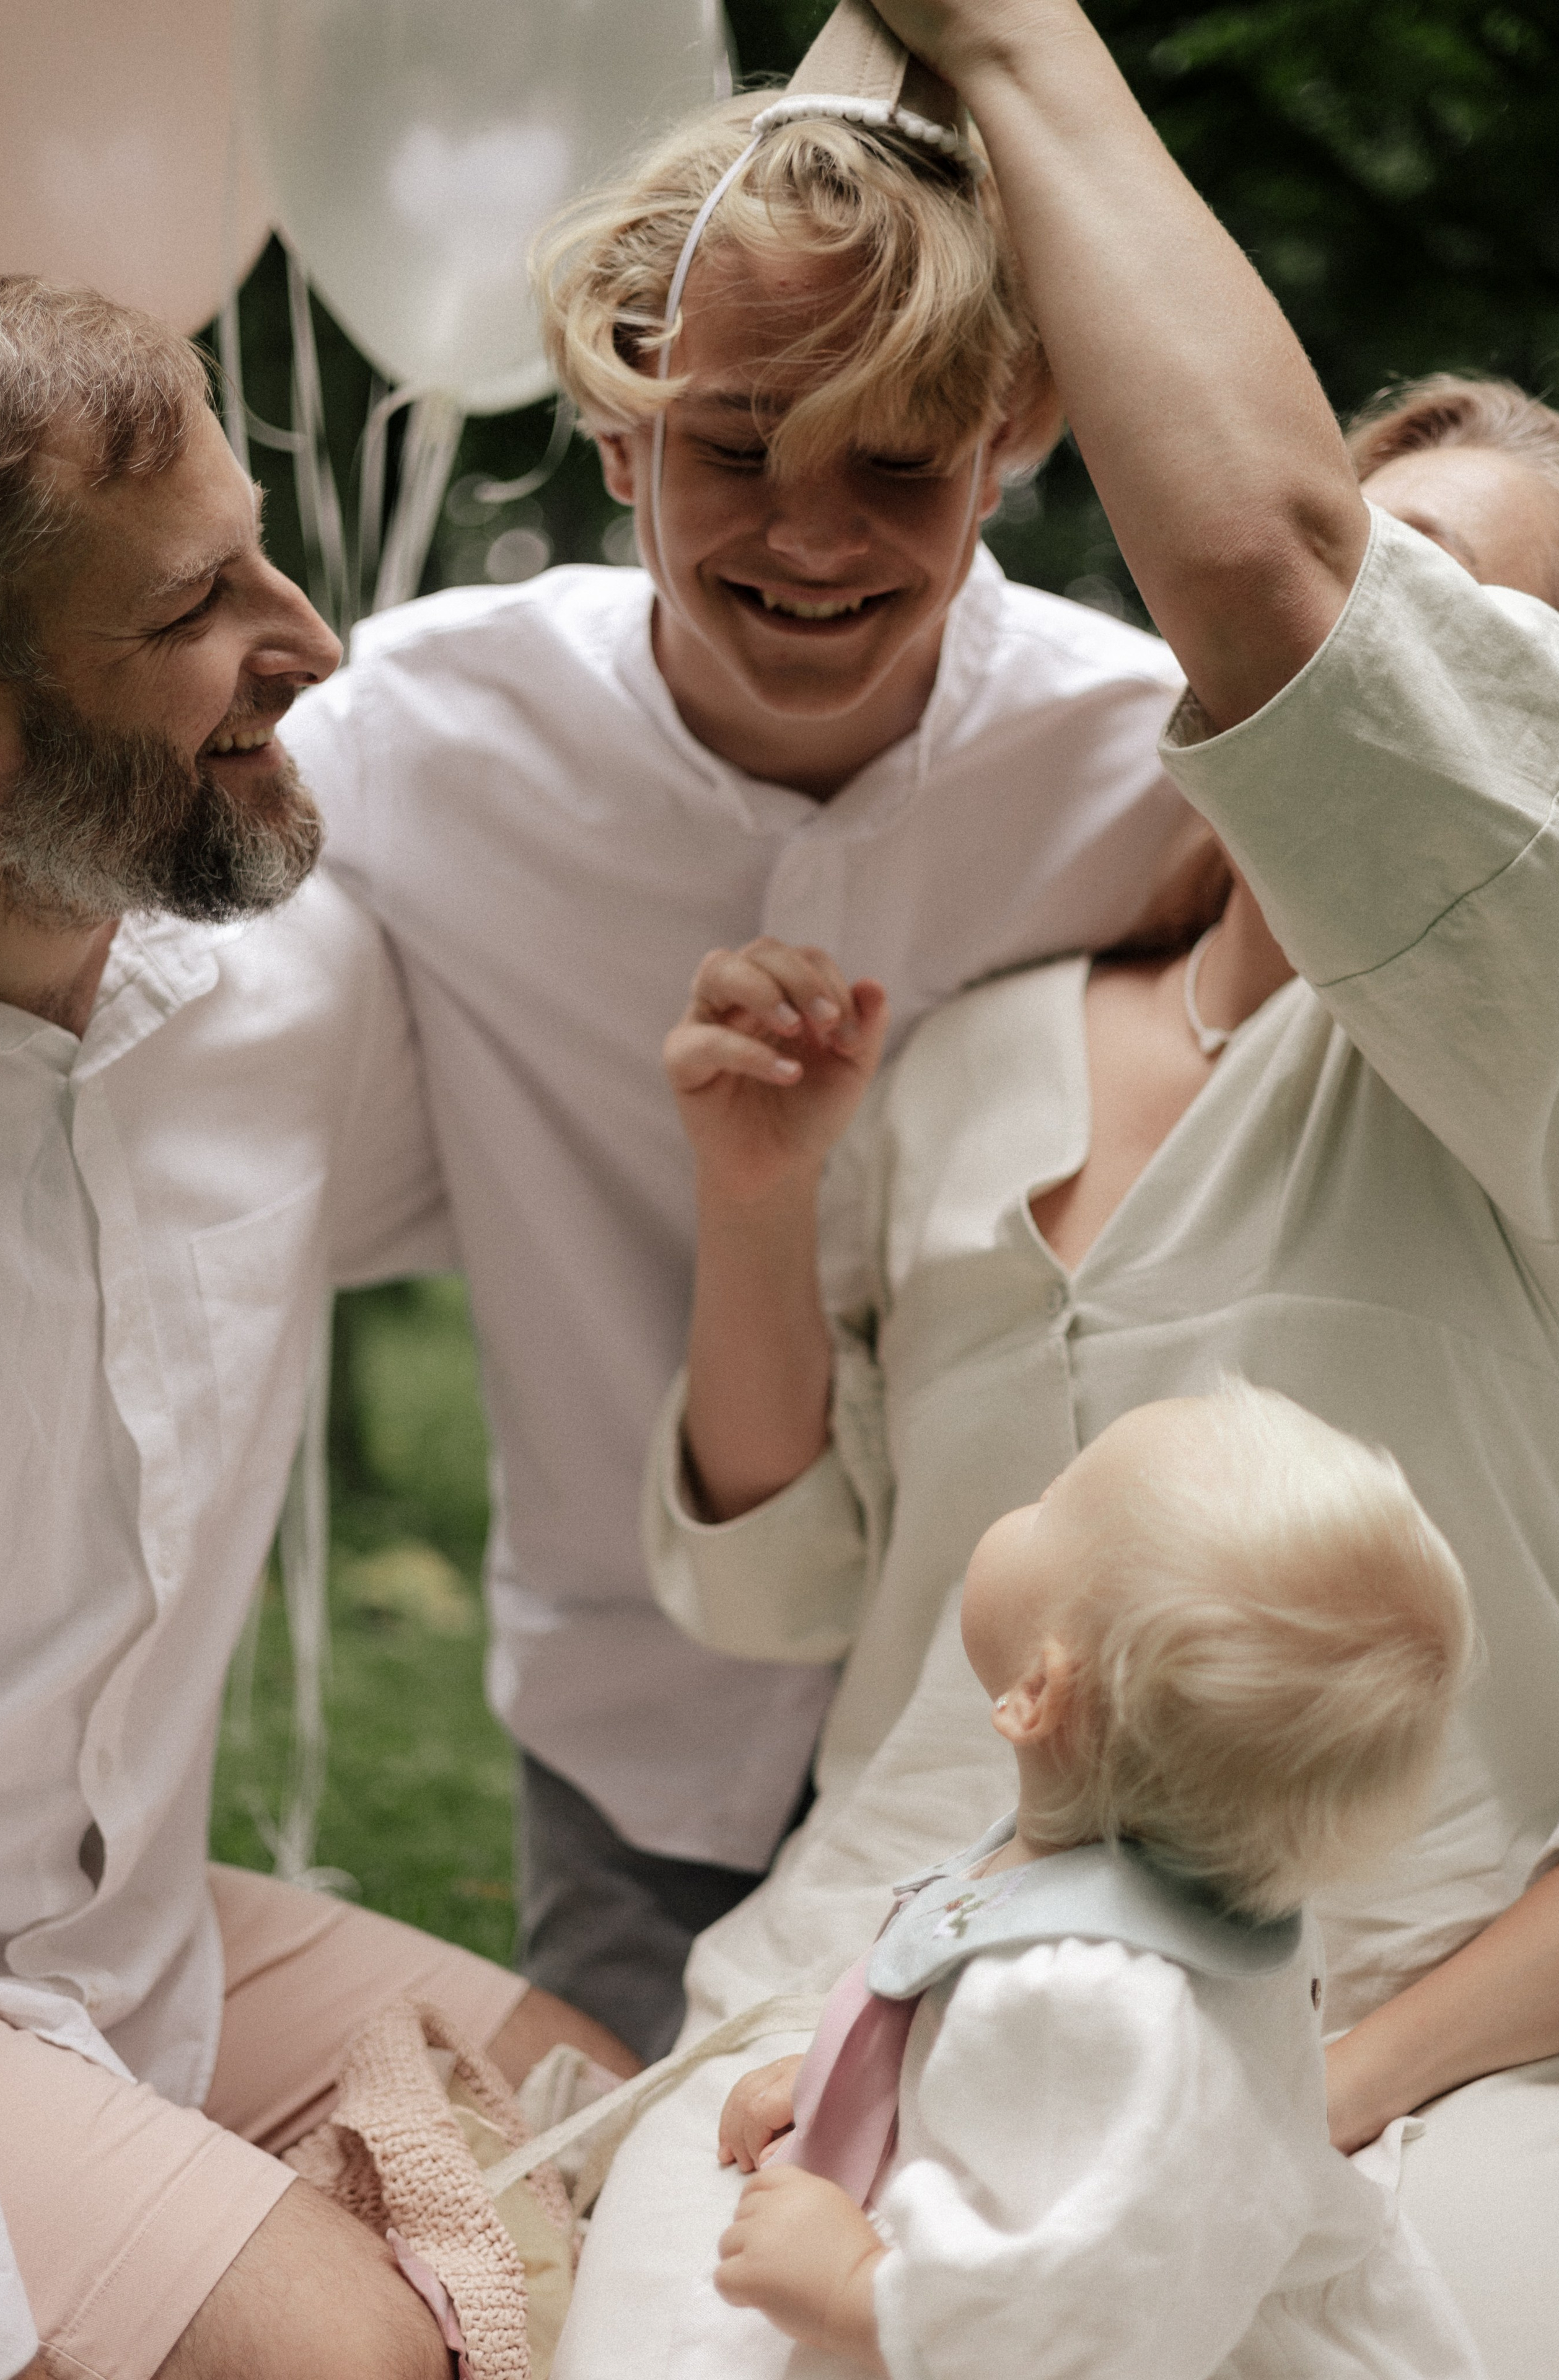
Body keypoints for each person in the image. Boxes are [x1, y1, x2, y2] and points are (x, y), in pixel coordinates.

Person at [550, 3, 1559, 2374]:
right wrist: (756, 1195)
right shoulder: (982, 1045)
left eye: (1482, 631)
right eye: (1391, 567)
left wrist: (1310, 2101)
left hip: (1414, 2052)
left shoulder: (1540, 1073)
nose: (1390, 653)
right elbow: (785, 1592)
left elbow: (1270, 570)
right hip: (868, 1978)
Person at [279, 0, 1211, 2061]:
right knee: (617, 2204)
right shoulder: (413, 739)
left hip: (1033, 1742)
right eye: (735, 445)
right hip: (636, 1734)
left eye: (897, 460)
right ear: (617, 429)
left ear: (1009, 437)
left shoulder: (1150, 767)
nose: (812, 531)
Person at [0, 276, 633, 2380]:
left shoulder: (296, 990)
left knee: (632, 2137)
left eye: (262, 549)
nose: (315, 641)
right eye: (198, 607)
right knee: (343, 2356)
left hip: (140, 1931)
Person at [693, 1387, 1481, 2380]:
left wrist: (860, 2291)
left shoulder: (1095, 2006)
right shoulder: (1161, 1888)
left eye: (1053, 1503)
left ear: (1035, 1693)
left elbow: (1092, 2311)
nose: (1029, 1498)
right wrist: (862, 2083)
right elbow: (1018, 2088)